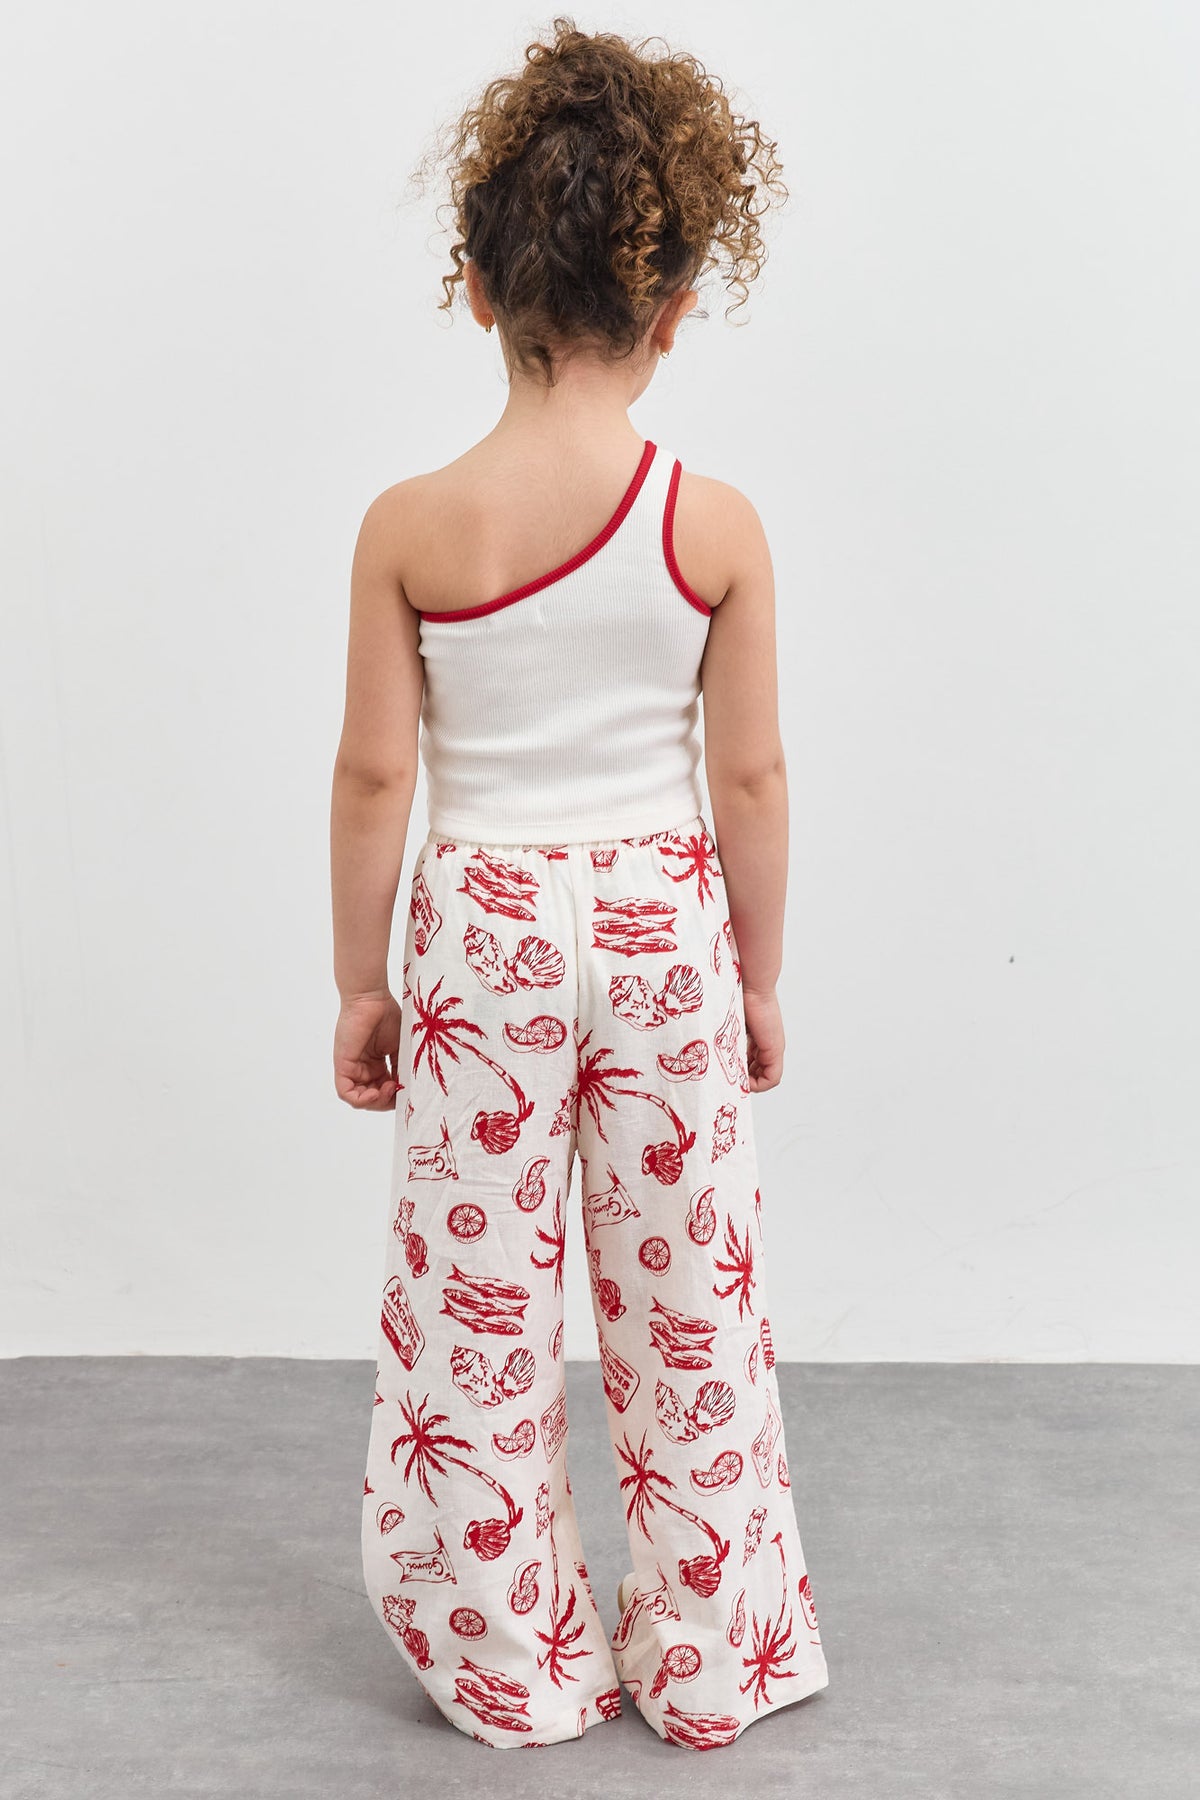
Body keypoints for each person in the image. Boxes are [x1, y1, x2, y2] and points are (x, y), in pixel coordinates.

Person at [329, 17, 830, 1752]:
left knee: (474, 1320)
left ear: (476, 287)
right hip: (664, 930)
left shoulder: (412, 527)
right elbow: (750, 779)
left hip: (483, 935)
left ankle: (511, 1663)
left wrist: (361, 981)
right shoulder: (715, 526)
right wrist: (758, 974)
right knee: (690, 1295)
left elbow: (377, 776)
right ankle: (712, 1656)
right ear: (676, 305)